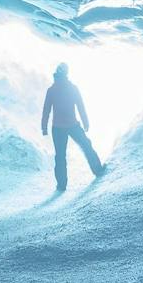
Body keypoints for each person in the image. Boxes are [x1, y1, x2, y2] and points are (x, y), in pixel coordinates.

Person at [40, 61, 104, 192]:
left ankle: (61, 185)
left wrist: (44, 127)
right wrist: (85, 122)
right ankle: (98, 170)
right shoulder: (71, 88)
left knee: (60, 156)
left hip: (58, 128)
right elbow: (80, 106)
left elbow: (46, 110)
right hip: (71, 125)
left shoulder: (52, 90)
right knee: (86, 146)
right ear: (66, 73)